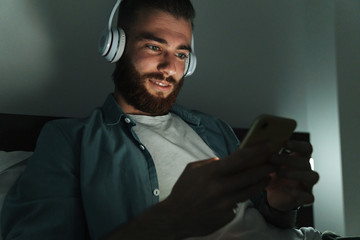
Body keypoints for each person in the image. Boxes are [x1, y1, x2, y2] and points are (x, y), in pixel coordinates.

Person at [1, 0, 320, 239]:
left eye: (181, 54)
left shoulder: (214, 129)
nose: (169, 67)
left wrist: (280, 205)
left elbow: (263, 218)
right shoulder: (70, 140)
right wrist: (171, 218)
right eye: (154, 46)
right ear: (116, 46)